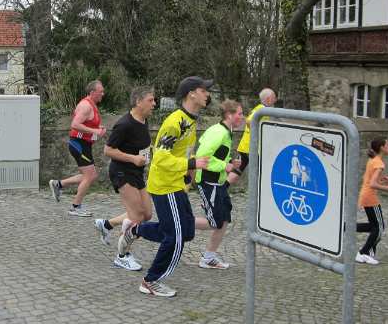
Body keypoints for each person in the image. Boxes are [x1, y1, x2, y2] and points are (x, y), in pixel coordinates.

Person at [118, 76, 212, 297]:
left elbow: (184, 151)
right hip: (164, 185)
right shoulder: (175, 122)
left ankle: (135, 230)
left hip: (176, 184)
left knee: (186, 231)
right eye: (204, 90)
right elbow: (160, 158)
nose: (207, 94)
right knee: (175, 237)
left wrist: (188, 175)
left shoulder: (190, 120)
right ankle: (150, 281)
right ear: (191, 94)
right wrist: (191, 164)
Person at [94, 86, 156, 271]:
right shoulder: (124, 124)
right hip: (121, 171)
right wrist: (133, 158)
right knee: (136, 217)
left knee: (146, 214)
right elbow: (108, 150)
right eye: (150, 100)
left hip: (137, 173)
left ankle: (106, 224)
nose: (154, 104)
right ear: (138, 101)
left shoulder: (143, 120)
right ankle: (122, 256)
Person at [193, 99, 244, 270]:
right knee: (216, 221)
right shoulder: (219, 132)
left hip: (218, 182)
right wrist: (225, 166)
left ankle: (209, 257)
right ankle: (179, 222)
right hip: (208, 181)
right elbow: (201, 156)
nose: (242, 117)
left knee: (224, 219)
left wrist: (230, 163)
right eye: (239, 114)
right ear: (229, 115)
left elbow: (217, 155)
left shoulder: (227, 132)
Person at [49, 80, 106, 217]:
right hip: (79, 145)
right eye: (101, 91)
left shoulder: (91, 104)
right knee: (89, 176)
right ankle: (75, 207)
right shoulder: (86, 106)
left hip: (83, 145)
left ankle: (59, 184)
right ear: (92, 92)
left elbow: (86, 124)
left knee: (90, 175)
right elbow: (75, 124)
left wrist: (98, 129)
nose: (103, 94)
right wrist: (95, 131)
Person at [356, 137, 388, 265]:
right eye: (387, 145)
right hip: (370, 197)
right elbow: (372, 184)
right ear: (382, 148)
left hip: (366, 195)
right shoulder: (379, 163)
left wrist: (382, 180)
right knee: (379, 227)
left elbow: (368, 180)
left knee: (374, 226)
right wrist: (387, 188)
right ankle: (363, 253)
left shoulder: (373, 160)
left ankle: (347, 227)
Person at [227, 88, 276, 186]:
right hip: (252, 149)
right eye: (274, 97)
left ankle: (223, 187)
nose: (275, 100)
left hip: (245, 147)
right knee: (260, 173)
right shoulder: (261, 109)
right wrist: (257, 132)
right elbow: (249, 121)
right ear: (268, 99)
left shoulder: (261, 109)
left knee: (237, 171)